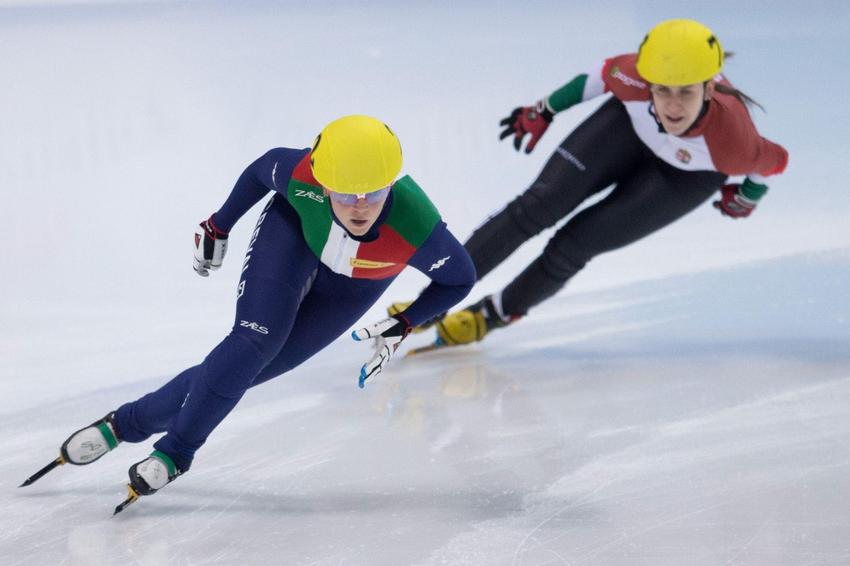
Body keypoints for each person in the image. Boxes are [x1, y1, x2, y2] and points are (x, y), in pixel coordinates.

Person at [22, 115, 475, 510]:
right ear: (323, 181)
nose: (359, 206)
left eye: (373, 192)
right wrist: (219, 224)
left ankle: (124, 424)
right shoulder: (302, 174)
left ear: (392, 183)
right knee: (254, 341)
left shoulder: (418, 226)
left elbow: (460, 278)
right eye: (344, 192)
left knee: (246, 371)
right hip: (293, 235)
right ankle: (177, 453)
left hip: (355, 285)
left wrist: (406, 321)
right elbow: (262, 171)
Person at [399, 18, 788, 348]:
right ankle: (435, 299)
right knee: (535, 207)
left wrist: (748, 195)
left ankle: (491, 315)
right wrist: (545, 109)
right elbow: (597, 78)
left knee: (574, 245)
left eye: (686, 93)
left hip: (688, 174)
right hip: (630, 128)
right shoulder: (633, 75)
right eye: (662, 90)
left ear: (708, 89)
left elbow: (775, 161)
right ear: (647, 81)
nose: (672, 106)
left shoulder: (733, 142)